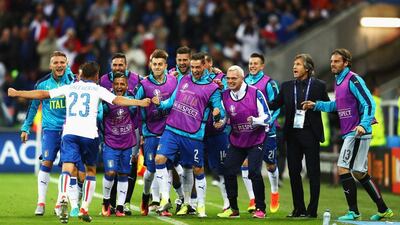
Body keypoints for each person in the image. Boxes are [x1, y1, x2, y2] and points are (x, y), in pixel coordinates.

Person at [8, 61, 151, 223]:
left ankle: (63, 196)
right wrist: (139, 102)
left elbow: (43, 94)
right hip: (89, 134)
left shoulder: (71, 87)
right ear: (96, 76)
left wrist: (17, 92)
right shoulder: (98, 89)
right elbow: (118, 100)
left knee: (68, 167)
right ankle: (84, 207)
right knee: (90, 171)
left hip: (70, 133)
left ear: (81, 75)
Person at [302, 48, 393, 221]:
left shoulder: (353, 79)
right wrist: (316, 105)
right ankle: (383, 209)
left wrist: (363, 124)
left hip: (357, 131)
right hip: (351, 131)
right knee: (359, 171)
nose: (332, 64)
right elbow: (338, 106)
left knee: (343, 166)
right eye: (331, 61)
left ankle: (353, 211)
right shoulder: (338, 81)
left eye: (336, 61)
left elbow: (369, 103)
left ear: (346, 63)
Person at [152, 52, 225, 218]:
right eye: (192, 67)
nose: (194, 70)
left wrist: (217, 113)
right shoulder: (183, 79)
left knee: (196, 169)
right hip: (172, 129)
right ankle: (164, 199)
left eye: (198, 67)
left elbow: (219, 108)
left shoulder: (213, 87)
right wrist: (159, 105)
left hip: (193, 135)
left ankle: (200, 206)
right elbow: (171, 101)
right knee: (159, 159)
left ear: (204, 66)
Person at [268, 53, 330, 218]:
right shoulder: (287, 86)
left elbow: (328, 106)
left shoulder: (319, 85)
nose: (294, 67)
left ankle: (312, 210)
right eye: (294, 64)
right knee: (294, 172)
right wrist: (256, 99)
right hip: (292, 134)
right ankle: (298, 208)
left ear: (308, 68)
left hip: (311, 133)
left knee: (313, 173)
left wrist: (316, 105)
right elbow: (275, 104)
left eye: (298, 64)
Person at [19, 51, 75, 216]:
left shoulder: (73, 81)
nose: (59, 65)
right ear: (50, 65)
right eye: (56, 63)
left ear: (66, 64)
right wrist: (25, 127)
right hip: (50, 130)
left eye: (62, 62)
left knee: (67, 167)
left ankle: (59, 204)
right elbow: (33, 106)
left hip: (69, 130)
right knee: (47, 162)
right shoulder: (42, 84)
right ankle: (41, 202)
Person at [216, 65, 271, 219]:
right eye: (228, 78)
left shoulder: (255, 93)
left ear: (242, 78)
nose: (230, 81)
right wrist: (222, 122)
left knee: (253, 171)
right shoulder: (225, 95)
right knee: (228, 170)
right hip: (237, 140)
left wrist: (255, 120)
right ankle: (233, 208)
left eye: (234, 78)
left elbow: (267, 117)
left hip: (256, 139)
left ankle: (261, 208)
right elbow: (225, 116)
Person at [135, 49, 178, 216]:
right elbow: (135, 105)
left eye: (161, 64)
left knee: (167, 167)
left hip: (169, 131)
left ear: (166, 66)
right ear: (150, 65)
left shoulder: (174, 81)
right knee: (151, 171)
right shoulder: (144, 84)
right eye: (155, 64)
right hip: (151, 132)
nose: (157, 67)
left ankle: (164, 201)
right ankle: (146, 195)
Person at [99, 53, 141, 215]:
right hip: (111, 141)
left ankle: (122, 205)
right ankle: (106, 202)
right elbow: (99, 118)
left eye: (120, 65)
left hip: (129, 140)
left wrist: (138, 138)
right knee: (110, 172)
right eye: (115, 65)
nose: (119, 86)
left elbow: (136, 119)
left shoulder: (135, 86)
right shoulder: (104, 87)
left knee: (126, 172)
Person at [243, 53, 281, 213]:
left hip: (267, 131)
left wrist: (268, 122)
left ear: (262, 66)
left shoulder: (269, 83)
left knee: (270, 164)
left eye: (255, 63)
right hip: (248, 132)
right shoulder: (243, 81)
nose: (252, 66)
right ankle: (252, 199)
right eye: (250, 63)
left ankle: (274, 193)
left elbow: (278, 105)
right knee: (245, 164)